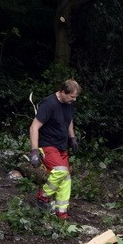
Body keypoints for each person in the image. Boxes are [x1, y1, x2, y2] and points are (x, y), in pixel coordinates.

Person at [29, 79, 81, 219]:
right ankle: (43, 196)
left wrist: (72, 138)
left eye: (75, 97)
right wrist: (34, 151)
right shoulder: (49, 104)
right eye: (72, 96)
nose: (74, 99)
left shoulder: (69, 103)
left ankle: (61, 211)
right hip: (48, 145)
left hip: (61, 145)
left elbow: (69, 120)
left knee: (66, 178)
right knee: (60, 171)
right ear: (63, 92)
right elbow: (34, 127)